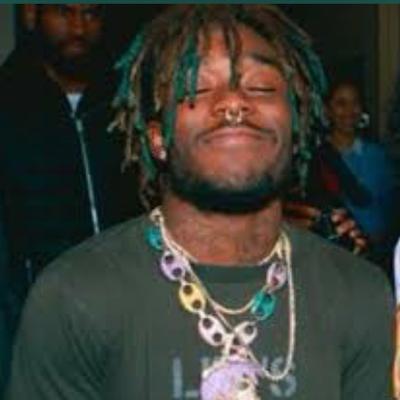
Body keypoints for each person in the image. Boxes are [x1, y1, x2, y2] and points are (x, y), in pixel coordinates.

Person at [6, 5, 393, 400]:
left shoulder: (360, 295)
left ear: (296, 127)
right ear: (158, 139)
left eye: (261, 87)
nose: (234, 103)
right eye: (198, 89)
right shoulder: (73, 297)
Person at [0, 5, 143, 299]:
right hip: (34, 305)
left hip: (129, 299)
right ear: (31, 14)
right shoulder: (9, 105)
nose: (79, 28)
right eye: (64, 12)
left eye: (91, 14)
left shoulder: (127, 100)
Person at [306, 80, 398, 267]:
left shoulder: (378, 155)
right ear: (327, 110)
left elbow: (389, 211)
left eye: (355, 103)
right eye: (341, 103)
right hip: (333, 255)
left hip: (376, 257)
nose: (349, 111)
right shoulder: (316, 157)